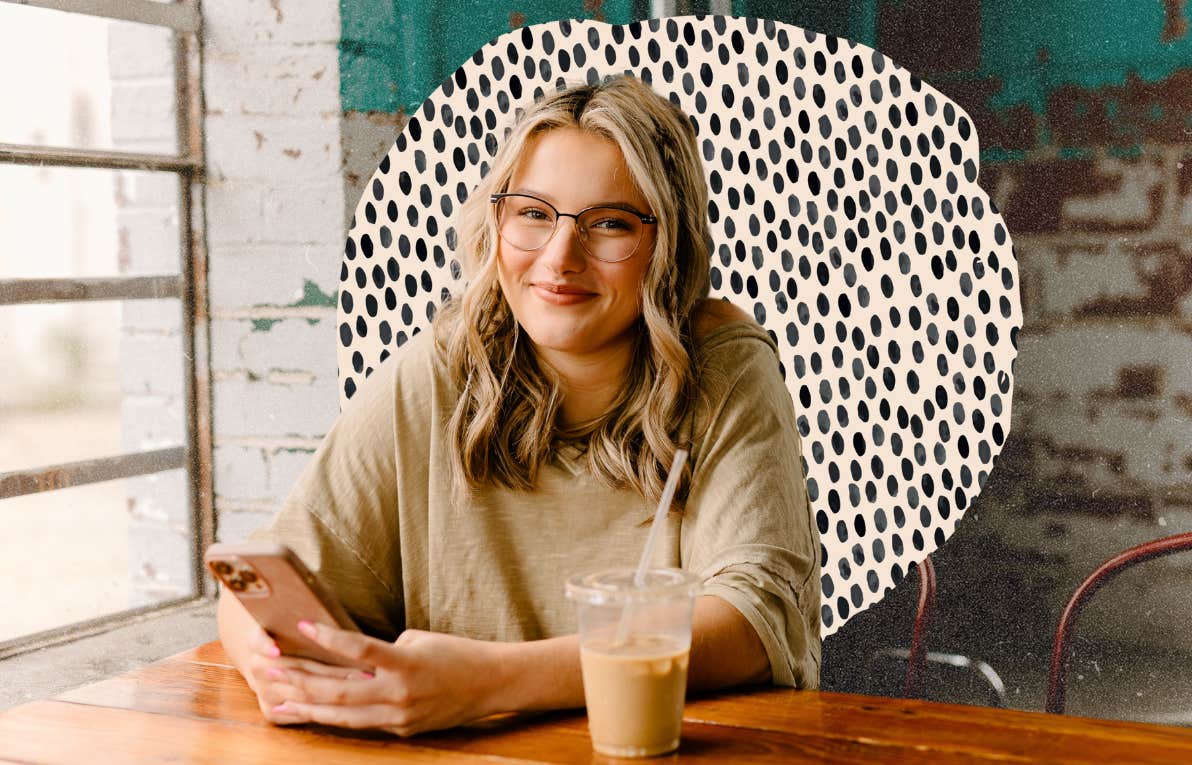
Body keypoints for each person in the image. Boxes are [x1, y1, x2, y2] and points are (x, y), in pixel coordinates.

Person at [217, 73, 820, 737]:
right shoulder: (439, 368)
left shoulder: (723, 365)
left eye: (610, 224)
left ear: (665, 245)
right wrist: (283, 672)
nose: (560, 258)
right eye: (533, 213)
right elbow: (258, 584)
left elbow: (751, 623)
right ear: (496, 219)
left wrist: (485, 681)